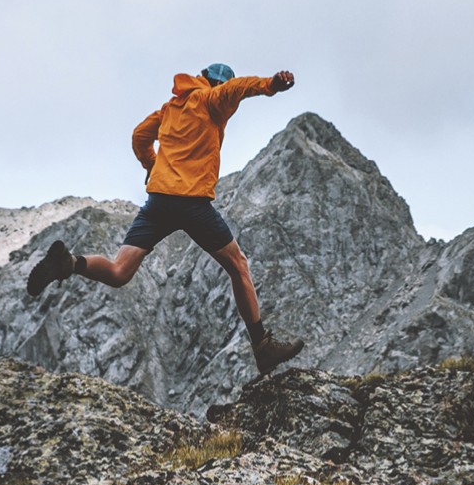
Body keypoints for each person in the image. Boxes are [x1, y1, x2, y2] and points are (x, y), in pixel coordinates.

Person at [26, 63, 305, 376]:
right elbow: (238, 88)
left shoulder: (169, 109)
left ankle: (70, 264)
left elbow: (139, 136)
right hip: (191, 202)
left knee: (120, 271)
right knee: (238, 265)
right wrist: (272, 84)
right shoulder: (213, 99)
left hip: (158, 201)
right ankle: (263, 347)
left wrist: (152, 164)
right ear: (215, 84)